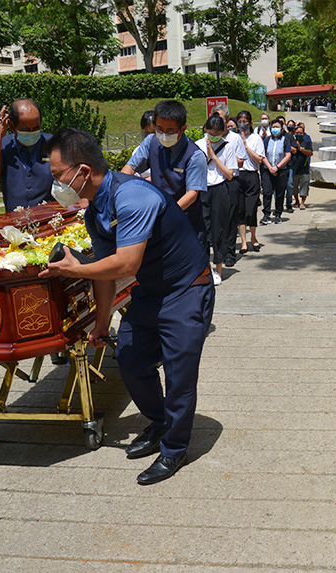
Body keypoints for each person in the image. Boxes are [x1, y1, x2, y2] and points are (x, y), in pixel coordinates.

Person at [41, 128, 214, 485]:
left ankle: (174, 449)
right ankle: (161, 422)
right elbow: (105, 274)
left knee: (179, 375)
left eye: (58, 175)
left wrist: (76, 268)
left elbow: (126, 264)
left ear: (83, 171)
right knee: (131, 359)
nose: (56, 184)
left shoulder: (132, 196)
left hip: (186, 290)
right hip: (151, 291)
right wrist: (101, 323)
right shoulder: (95, 210)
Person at [121, 100, 208, 252]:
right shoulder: (151, 142)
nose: (164, 135)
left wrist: (167, 214)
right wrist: (121, 192)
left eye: (170, 131)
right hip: (158, 219)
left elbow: (192, 194)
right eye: (159, 129)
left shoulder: (194, 156)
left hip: (186, 222)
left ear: (183, 129)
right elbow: (129, 168)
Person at [0, 98, 54, 212]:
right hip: (14, 219)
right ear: (12, 126)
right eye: (25, 129)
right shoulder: (3, 145)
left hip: (49, 218)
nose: (31, 132)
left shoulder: (52, 144)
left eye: (36, 128)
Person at [196, 114, 241, 283]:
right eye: (210, 133)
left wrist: (214, 157)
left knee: (219, 229)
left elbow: (229, 174)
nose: (213, 136)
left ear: (223, 132)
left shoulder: (227, 146)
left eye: (217, 133)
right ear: (205, 129)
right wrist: (207, 156)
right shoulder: (197, 145)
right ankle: (205, 268)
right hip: (201, 189)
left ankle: (218, 269)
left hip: (220, 189)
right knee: (202, 229)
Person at [235, 110, 264, 253]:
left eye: (245, 121)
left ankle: (253, 237)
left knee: (251, 209)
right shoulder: (233, 138)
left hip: (251, 176)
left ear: (251, 123)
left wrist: (245, 145)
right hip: (238, 175)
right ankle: (243, 242)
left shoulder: (256, 139)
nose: (242, 124)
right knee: (240, 209)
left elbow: (259, 159)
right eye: (240, 121)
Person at [260, 119, 291, 224]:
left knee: (279, 193)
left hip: (281, 171)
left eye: (277, 127)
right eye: (273, 127)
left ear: (282, 129)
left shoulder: (285, 140)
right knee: (267, 192)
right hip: (267, 170)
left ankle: (278, 214)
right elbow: (263, 155)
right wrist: (270, 167)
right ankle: (266, 214)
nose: (275, 129)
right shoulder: (267, 140)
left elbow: (288, 155)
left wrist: (277, 167)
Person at [290, 122, 313, 210]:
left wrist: (301, 149)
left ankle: (302, 202)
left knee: (304, 186)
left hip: (304, 169)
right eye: (297, 133)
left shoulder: (307, 142)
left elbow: (310, 153)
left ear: (303, 134)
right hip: (293, 168)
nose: (299, 134)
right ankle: (297, 201)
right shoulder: (291, 142)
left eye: (300, 133)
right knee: (294, 187)